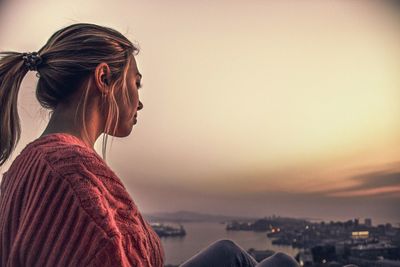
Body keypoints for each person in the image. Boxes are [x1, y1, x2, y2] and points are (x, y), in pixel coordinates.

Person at [0, 22, 302, 267]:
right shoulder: (75, 173)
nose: (140, 102)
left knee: (228, 252)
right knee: (282, 264)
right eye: (136, 83)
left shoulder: (27, 164)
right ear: (104, 78)